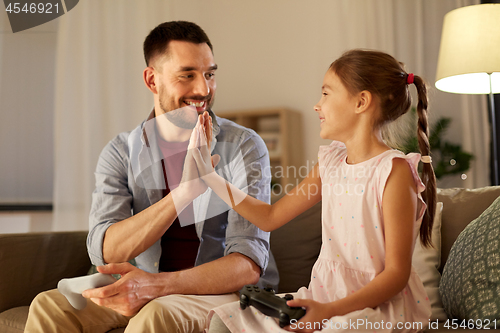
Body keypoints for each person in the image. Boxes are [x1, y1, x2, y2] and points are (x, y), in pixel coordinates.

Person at [24, 21, 278, 333]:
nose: (204, 89)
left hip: (218, 294)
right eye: (188, 75)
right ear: (152, 79)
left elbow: (247, 264)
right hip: (142, 284)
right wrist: (183, 193)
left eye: (210, 74)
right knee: (49, 306)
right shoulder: (121, 151)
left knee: (156, 313)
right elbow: (104, 249)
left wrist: (156, 286)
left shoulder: (244, 146)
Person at [191, 49, 436, 332]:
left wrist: (328, 312)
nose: (317, 105)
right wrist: (210, 177)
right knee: (227, 319)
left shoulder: (392, 172)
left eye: (326, 94)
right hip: (323, 297)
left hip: (375, 307)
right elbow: (270, 217)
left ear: (361, 101)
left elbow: (396, 274)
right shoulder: (330, 162)